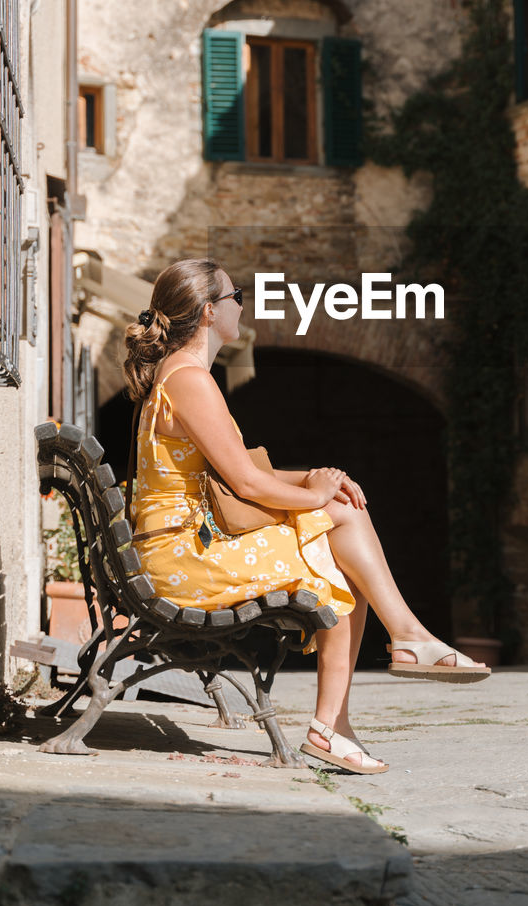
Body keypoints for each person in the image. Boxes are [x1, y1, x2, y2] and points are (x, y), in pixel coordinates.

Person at [123, 258, 489, 775]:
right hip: (182, 559)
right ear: (209, 312)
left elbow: (236, 471)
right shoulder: (189, 380)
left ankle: (396, 655)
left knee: (339, 520)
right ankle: (363, 689)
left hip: (182, 547)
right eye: (237, 297)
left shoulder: (181, 376)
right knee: (335, 540)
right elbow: (246, 484)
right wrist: (318, 499)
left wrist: (323, 480)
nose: (242, 305)